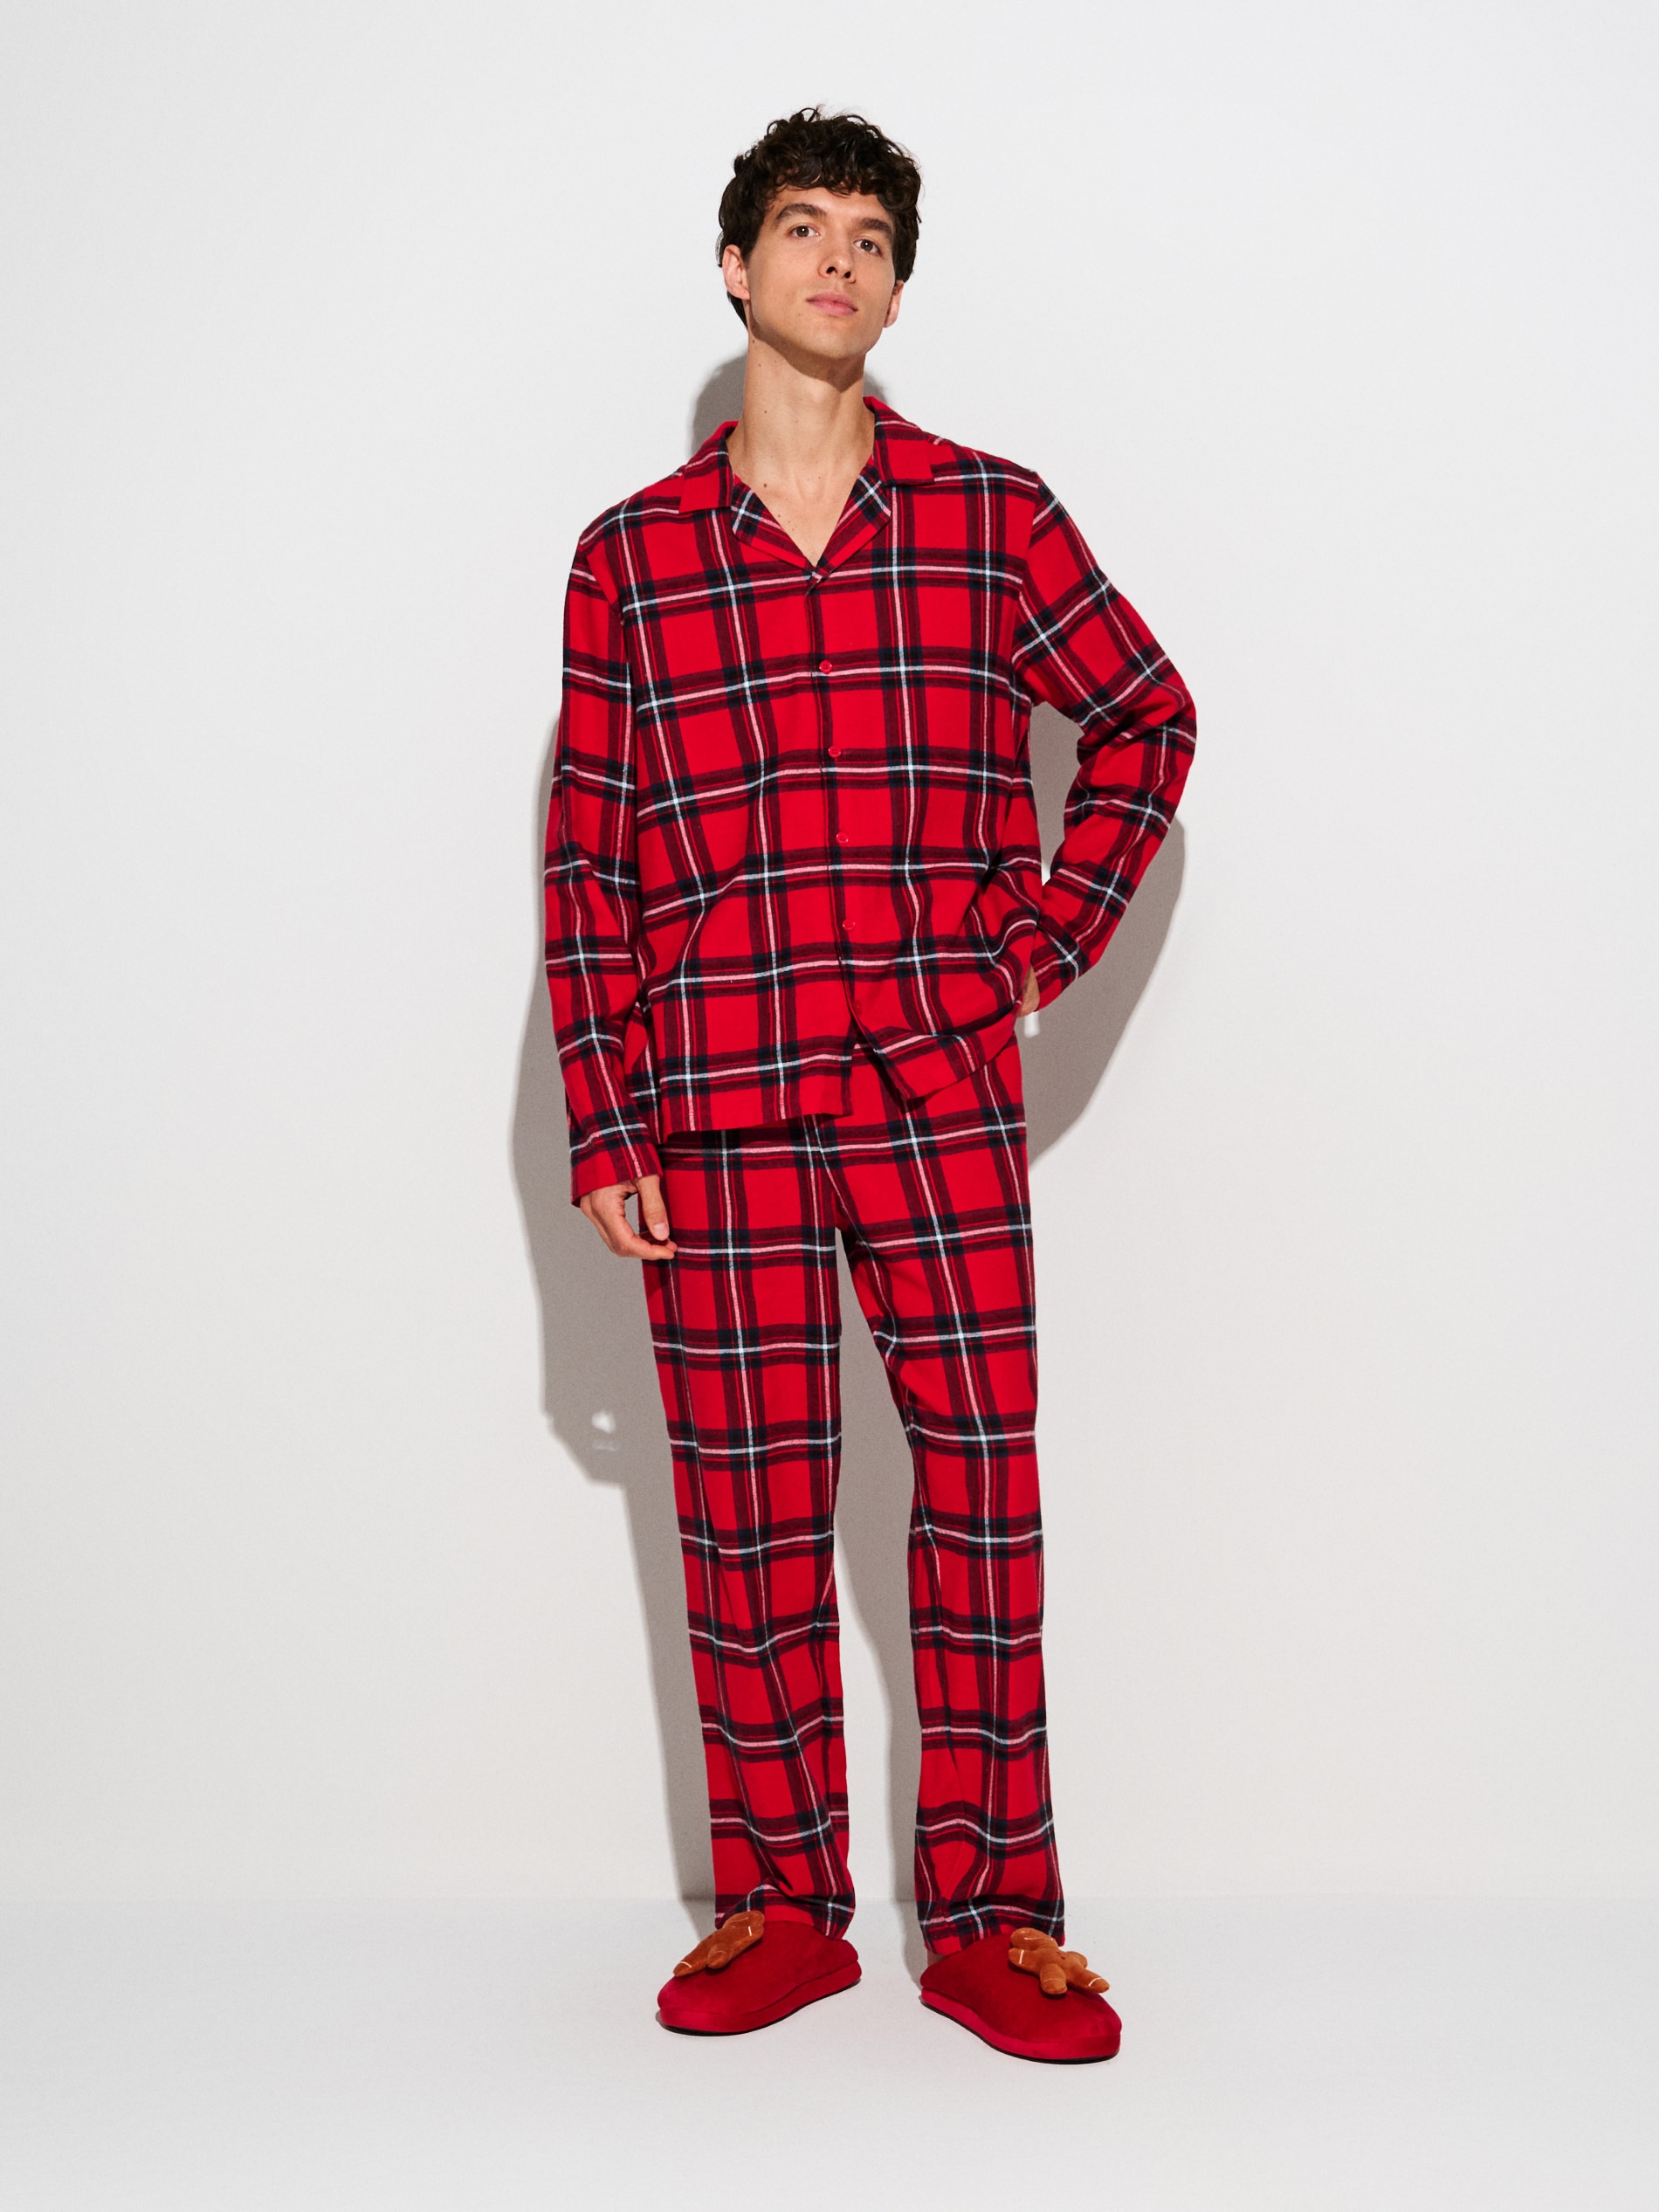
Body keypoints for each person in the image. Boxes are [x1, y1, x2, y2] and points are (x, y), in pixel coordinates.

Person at [545, 107, 1194, 2062]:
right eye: (803, 227)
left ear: (896, 292)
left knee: (977, 1494)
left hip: (932, 1090)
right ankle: (779, 1901)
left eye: (873, 239)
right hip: (718, 1097)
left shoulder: (992, 518)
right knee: (745, 1510)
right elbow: (589, 856)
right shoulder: (633, 560)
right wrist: (604, 1117)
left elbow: (1145, 717)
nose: (839, 259)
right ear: (735, 266)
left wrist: (1034, 946)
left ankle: (996, 1915)